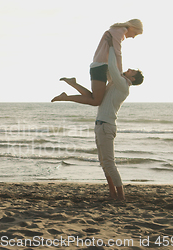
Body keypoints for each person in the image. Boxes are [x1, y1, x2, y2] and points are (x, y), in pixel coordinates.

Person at [54, 32, 144, 201]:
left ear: (132, 78)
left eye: (132, 70)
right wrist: (113, 48)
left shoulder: (123, 85)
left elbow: (111, 68)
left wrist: (111, 45)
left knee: (109, 163)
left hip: (106, 126)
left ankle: (121, 196)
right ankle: (112, 193)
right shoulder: (116, 84)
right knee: (104, 163)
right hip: (101, 125)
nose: (128, 69)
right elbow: (111, 71)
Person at [51, 19, 143, 106]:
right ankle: (65, 97)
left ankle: (73, 84)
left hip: (100, 65)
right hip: (100, 66)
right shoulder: (119, 32)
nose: (134, 37)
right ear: (133, 27)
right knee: (96, 101)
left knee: (95, 98)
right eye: (135, 33)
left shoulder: (117, 31)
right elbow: (117, 53)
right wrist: (120, 73)